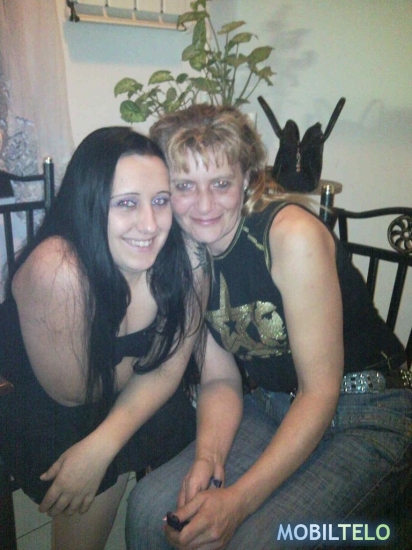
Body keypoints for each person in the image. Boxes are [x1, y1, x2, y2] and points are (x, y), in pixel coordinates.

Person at [126, 104, 412, 550]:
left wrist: (238, 500)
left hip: (370, 410)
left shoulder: (289, 236)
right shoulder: (189, 253)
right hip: (274, 405)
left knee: (257, 540)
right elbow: (220, 379)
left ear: (247, 178)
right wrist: (208, 459)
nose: (204, 204)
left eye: (221, 183)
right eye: (185, 186)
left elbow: (320, 391)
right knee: (148, 508)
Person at [0, 127, 208, 550]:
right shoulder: (59, 270)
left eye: (161, 200)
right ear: (90, 202)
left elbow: (169, 371)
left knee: (174, 437)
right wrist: (97, 450)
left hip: (121, 395)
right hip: (52, 401)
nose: (150, 224)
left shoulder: (187, 257)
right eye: (127, 203)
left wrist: (104, 446)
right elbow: (81, 393)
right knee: (85, 468)